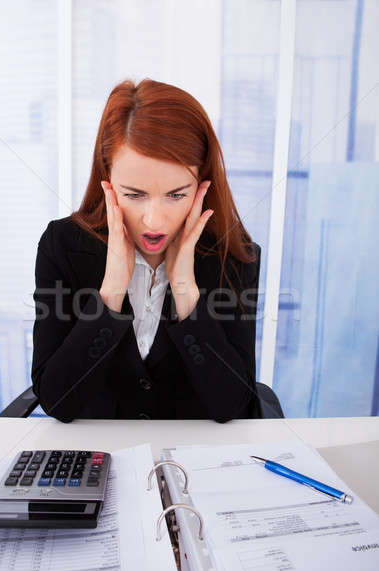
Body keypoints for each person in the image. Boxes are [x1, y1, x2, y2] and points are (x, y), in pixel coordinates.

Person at [31, 78, 261, 423]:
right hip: (101, 458)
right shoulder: (62, 246)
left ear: (201, 184)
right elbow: (57, 402)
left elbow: (233, 406)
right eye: (135, 195)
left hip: (191, 462)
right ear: (107, 179)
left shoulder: (234, 255)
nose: (154, 220)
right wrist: (111, 292)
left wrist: (185, 291)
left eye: (176, 195)